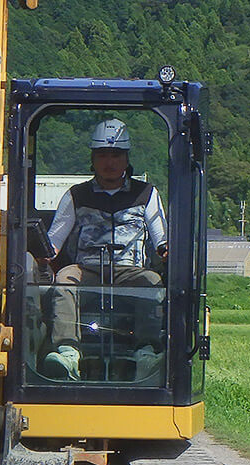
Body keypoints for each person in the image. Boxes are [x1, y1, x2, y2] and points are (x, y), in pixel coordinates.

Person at [40, 117, 169, 381]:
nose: (109, 162)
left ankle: (146, 353)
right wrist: (40, 254)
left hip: (129, 271)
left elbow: (161, 240)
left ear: (126, 158)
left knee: (152, 282)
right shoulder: (77, 195)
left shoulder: (146, 194)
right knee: (64, 279)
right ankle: (68, 352)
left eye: (116, 155)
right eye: (102, 155)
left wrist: (167, 250)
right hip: (87, 269)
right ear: (93, 158)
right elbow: (53, 241)